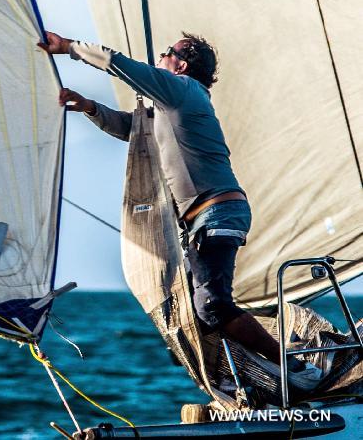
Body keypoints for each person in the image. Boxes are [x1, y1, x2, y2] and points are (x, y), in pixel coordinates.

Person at [37, 31, 322, 389]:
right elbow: (132, 128)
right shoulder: (170, 106)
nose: (160, 56)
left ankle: (292, 367)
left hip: (216, 213)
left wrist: (68, 48)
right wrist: (91, 108)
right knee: (193, 314)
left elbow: (120, 65)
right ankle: (244, 380)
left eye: (165, 53)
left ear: (181, 64)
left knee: (212, 307)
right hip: (205, 217)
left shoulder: (182, 89)